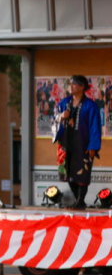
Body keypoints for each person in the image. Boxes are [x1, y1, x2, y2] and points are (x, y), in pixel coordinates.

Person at [54, 75, 103, 209]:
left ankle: (80, 200)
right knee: (68, 172)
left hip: (83, 144)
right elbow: (54, 118)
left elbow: (95, 127)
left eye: (74, 84)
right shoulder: (64, 103)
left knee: (82, 172)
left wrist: (93, 146)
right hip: (66, 143)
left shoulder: (90, 106)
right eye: (71, 84)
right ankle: (78, 200)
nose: (71, 86)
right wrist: (61, 116)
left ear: (82, 87)